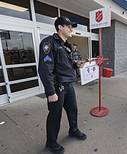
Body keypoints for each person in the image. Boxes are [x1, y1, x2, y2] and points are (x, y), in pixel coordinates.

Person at [38, 16, 87, 154]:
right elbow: (45, 69)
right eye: (69, 26)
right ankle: (51, 142)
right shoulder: (48, 43)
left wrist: (77, 64)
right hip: (57, 87)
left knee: (73, 110)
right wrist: (50, 92)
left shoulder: (67, 45)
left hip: (69, 85)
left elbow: (67, 64)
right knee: (55, 115)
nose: (71, 29)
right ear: (60, 27)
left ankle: (73, 130)